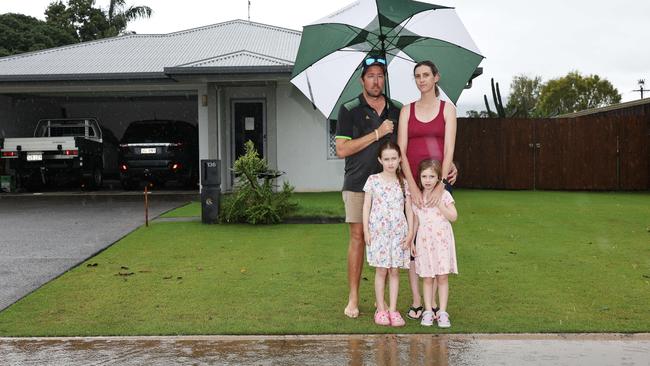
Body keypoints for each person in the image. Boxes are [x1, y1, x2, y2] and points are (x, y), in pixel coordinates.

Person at [335, 55, 402, 318]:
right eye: (371, 75)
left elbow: (405, 147)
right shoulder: (349, 109)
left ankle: (382, 301)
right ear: (362, 80)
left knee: (388, 238)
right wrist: (377, 133)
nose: (376, 81)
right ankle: (353, 298)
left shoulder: (397, 109)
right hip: (358, 184)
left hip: (391, 187)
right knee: (359, 238)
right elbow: (341, 149)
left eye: (380, 75)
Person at [396, 60, 458, 321]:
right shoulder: (406, 111)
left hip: (436, 185)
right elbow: (401, 149)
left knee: (435, 240)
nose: (421, 80)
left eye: (425, 75)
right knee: (415, 242)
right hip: (412, 185)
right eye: (417, 76)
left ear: (436, 77)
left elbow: (449, 150)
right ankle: (418, 301)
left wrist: (440, 185)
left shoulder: (448, 109)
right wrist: (410, 185)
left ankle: (438, 306)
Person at [362, 141, 413, 326]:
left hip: (398, 233)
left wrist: (410, 233)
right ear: (380, 160)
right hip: (379, 233)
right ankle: (381, 310)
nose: (390, 163)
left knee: (394, 271)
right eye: (386, 159)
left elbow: (409, 209)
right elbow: (366, 206)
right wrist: (366, 230)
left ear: (399, 159)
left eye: (393, 159)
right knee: (381, 270)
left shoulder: (404, 183)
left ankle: (393, 309)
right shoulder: (373, 181)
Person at [411, 159, 458, 328]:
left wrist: (440, 205)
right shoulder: (417, 197)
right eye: (424, 176)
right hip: (425, 242)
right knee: (428, 278)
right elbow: (415, 221)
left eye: (432, 176)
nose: (428, 180)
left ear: (438, 178)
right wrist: (412, 241)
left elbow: (453, 217)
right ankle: (428, 311)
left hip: (442, 242)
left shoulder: (444, 195)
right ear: (420, 178)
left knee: (442, 276)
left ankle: (443, 312)